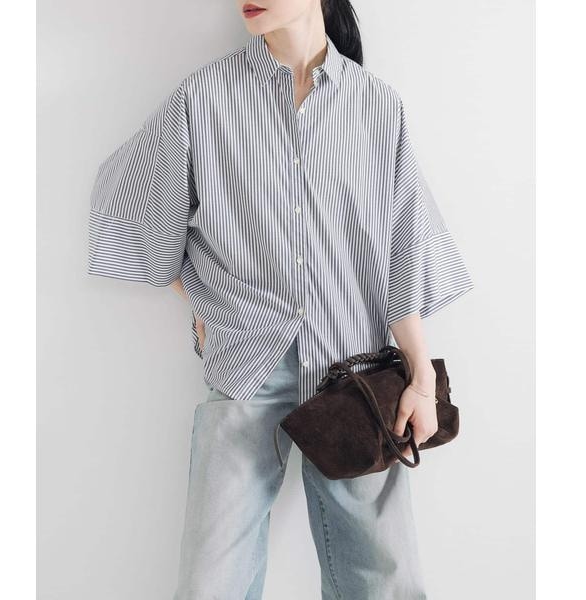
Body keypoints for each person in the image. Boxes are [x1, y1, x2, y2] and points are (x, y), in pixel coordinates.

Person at [87, 1, 474, 598]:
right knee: (210, 583)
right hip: (248, 367)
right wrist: (199, 297)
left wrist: (420, 372)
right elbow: (130, 199)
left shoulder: (376, 105)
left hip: (356, 376)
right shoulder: (204, 97)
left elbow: (403, 247)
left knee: (386, 580)